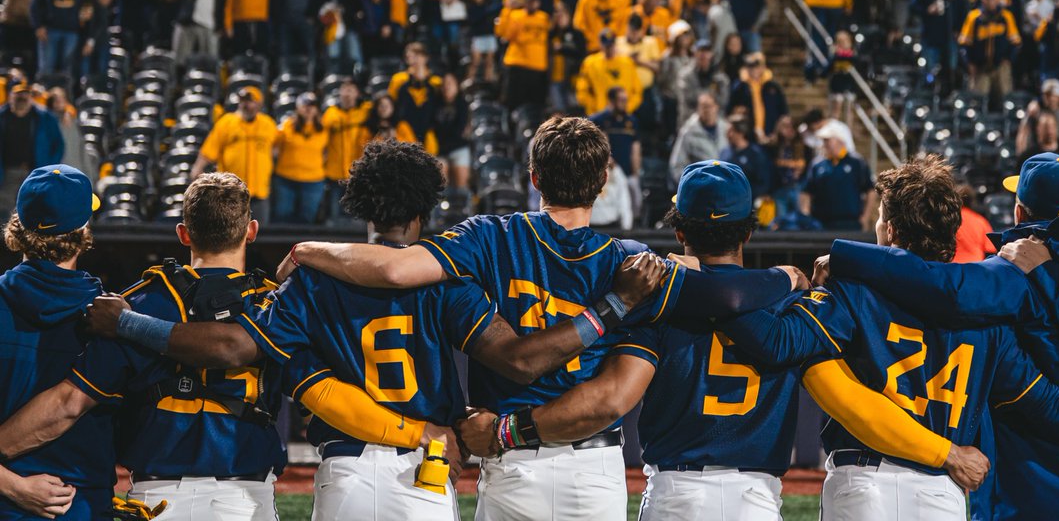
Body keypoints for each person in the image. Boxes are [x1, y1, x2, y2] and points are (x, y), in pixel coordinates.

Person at [278, 116, 809, 521]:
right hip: (594, 469)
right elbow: (724, 293)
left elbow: (394, 270)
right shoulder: (629, 261)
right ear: (604, 180)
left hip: (506, 462)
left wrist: (308, 249)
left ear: (532, 176)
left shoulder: (487, 236)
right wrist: (790, 276)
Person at [458, 160, 992, 520]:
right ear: (750, 230)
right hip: (755, 499)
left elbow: (617, 393)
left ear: (681, 231)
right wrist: (787, 279)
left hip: (676, 494)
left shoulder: (660, 300)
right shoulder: (798, 303)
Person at [731, 155, 1059, 521]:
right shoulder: (989, 307)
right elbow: (1046, 403)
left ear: (892, 231)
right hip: (942, 494)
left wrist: (737, 285)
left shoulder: (852, 290)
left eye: (882, 218)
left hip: (862, 482)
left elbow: (778, 343)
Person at [0, 173, 286, 519]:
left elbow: (69, 402)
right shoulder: (275, 305)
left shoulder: (135, 303)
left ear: (183, 233)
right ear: (251, 230)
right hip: (243, 496)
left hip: (159, 495)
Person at [0, 165, 107, 520]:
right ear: (83, 231)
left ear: (20, 225)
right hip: (82, 504)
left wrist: (13, 485)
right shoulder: (111, 317)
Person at [192, 86, 277, 221]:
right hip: (231, 192)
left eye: (250, 101)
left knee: (259, 234)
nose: (245, 105)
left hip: (259, 192)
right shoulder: (227, 122)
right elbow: (210, 149)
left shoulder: (268, 124)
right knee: (230, 231)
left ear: (259, 104)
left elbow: (277, 147)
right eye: (243, 101)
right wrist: (197, 168)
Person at [0, 82, 64, 215]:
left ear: (31, 97)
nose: (22, 98)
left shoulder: (45, 117)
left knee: (33, 210)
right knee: (5, 211)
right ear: (10, 96)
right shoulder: (2, 116)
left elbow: (58, 145)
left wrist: (49, 168)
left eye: (25, 94)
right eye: (18, 94)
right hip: (7, 173)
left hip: (35, 172)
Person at [800, 124, 873, 231]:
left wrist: (865, 218)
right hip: (822, 224)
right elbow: (806, 192)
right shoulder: (817, 164)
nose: (825, 144)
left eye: (828, 140)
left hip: (850, 223)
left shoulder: (857, 162)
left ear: (840, 140)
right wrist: (807, 216)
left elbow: (870, 191)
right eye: (824, 141)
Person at [959, 0, 1022, 106]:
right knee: (977, 101)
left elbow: (1016, 43)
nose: (990, 1)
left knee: (1005, 98)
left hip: (1000, 66)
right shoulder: (974, 17)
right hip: (980, 68)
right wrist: (969, 64)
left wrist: (1008, 60)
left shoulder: (1006, 16)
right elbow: (964, 44)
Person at [272, 93, 328, 225]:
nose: (308, 109)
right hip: (286, 179)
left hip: (313, 181)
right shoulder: (287, 126)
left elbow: (328, 152)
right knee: (283, 217)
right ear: (298, 108)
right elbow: (275, 148)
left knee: (307, 220)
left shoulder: (325, 129)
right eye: (305, 105)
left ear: (317, 109)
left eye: (312, 106)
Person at [322, 78, 370, 223]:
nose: (347, 93)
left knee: (357, 218)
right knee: (334, 217)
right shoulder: (331, 113)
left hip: (358, 174)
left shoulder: (365, 111)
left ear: (357, 93)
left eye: (351, 90)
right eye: (344, 89)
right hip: (335, 174)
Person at [911, 0, 967, 81]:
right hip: (931, 37)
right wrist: (927, 10)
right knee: (931, 70)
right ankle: (930, 93)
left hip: (950, 37)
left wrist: (959, 29)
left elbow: (963, 12)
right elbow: (913, 7)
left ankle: (948, 93)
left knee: (951, 68)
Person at [497, 0, 551, 111]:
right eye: (529, 1)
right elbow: (503, 34)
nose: (532, 4)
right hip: (518, 65)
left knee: (536, 105)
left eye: (534, 1)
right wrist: (507, 10)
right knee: (512, 103)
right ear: (524, 2)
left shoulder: (544, 18)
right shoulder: (515, 15)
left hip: (538, 67)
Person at [591, 87, 641, 213]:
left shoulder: (632, 121)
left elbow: (636, 148)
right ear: (611, 101)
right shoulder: (598, 120)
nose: (624, 103)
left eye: (626, 100)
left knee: (635, 206)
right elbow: (601, 145)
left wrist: (636, 172)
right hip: (610, 174)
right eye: (621, 100)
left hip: (629, 172)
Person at [576, 29, 642, 116]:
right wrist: (594, 107)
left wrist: (627, 108)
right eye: (606, 46)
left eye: (611, 45)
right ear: (600, 45)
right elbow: (582, 90)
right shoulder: (590, 63)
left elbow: (637, 90)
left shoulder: (627, 63)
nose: (609, 48)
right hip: (598, 115)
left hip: (623, 114)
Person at [669, 92, 729, 184]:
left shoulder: (726, 129)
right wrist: (693, 185)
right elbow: (677, 166)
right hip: (701, 187)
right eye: (704, 106)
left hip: (726, 186)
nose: (707, 110)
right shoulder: (688, 132)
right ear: (698, 109)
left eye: (710, 106)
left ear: (716, 107)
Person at [728, 52, 788, 142]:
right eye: (750, 66)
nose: (754, 69)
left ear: (763, 67)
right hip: (747, 137)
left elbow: (784, 113)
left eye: (757, 66)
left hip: (771, 136)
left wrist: (776, 133)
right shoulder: (739, 87)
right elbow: (730, 111)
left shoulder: (773, 87)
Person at [719, 116, 770, 200]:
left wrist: (744, 194)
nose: (727, 134)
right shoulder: (724, 152)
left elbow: (763, 183)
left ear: (741, 132)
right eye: (727, 131)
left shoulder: (755, 154)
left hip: (748, 202)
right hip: (727, 202)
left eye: (730, 131)